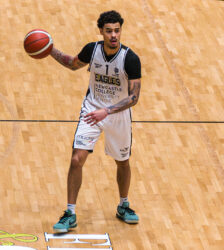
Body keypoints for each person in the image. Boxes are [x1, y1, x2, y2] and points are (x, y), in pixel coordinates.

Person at [49, 10, 141, 233]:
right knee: (76, 159)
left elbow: (134, 97)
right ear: (101, 31)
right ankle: (70, 212)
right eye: (109, 31)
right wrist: (49, 50)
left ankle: (123, 205)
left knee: (122, 162)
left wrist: (107, 111)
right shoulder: (92, 50)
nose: (113, 35)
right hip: (91, 110)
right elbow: (72, 63)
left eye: (117, 31)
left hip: (117, 115)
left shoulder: (130, 58)